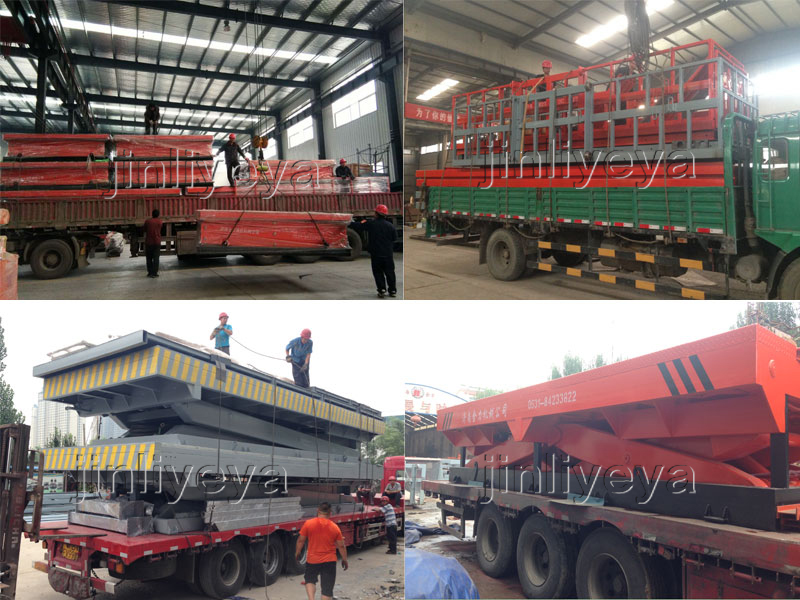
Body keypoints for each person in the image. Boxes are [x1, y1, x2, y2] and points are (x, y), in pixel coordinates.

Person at [296, 502, 348, 600]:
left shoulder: (308, 524)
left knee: (310, 580)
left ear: (318, 511)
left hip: (313, 560)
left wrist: (297, 552)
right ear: (330, 513)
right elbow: (341, 546)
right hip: (329, 561)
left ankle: (311, 599)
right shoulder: (334, 527)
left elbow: (300, 540)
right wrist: (344, 559)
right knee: (327, 590)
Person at [350, 204, 397, 298]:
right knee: (390, 272)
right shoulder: (391, 226)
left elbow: (358, 226)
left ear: (376, 213)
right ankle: (392, 290)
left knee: (378, 272)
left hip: (376, 254)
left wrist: (348, 222)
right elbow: (394, 238)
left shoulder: (371, 223)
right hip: (388, 254)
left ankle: (382, 289)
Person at [143, 209, 162, 278]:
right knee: (156, 258)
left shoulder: (147, 221)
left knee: (149, 258)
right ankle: (155, 273)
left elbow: (144, 230)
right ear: (158, 215)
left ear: (152, 214)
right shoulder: (160, 222)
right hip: (157, 242)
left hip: (149, 242)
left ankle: (150, 273)